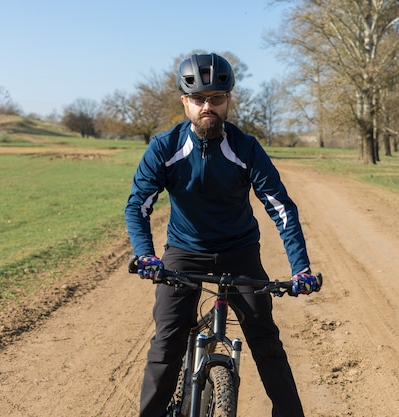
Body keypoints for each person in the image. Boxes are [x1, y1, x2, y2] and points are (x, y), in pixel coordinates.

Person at [125, 52, 319, 417]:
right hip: (185, 251)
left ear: (228, 100)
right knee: (166, 344)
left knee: (265, 340)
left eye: (216, 98)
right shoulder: (164, 148)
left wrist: (301, 269)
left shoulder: (245, 148)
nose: (207, 106)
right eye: (199, 99)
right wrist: (146, 254)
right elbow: (138, 206)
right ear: (185, 102)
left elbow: (280, 207)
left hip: (239, 250)